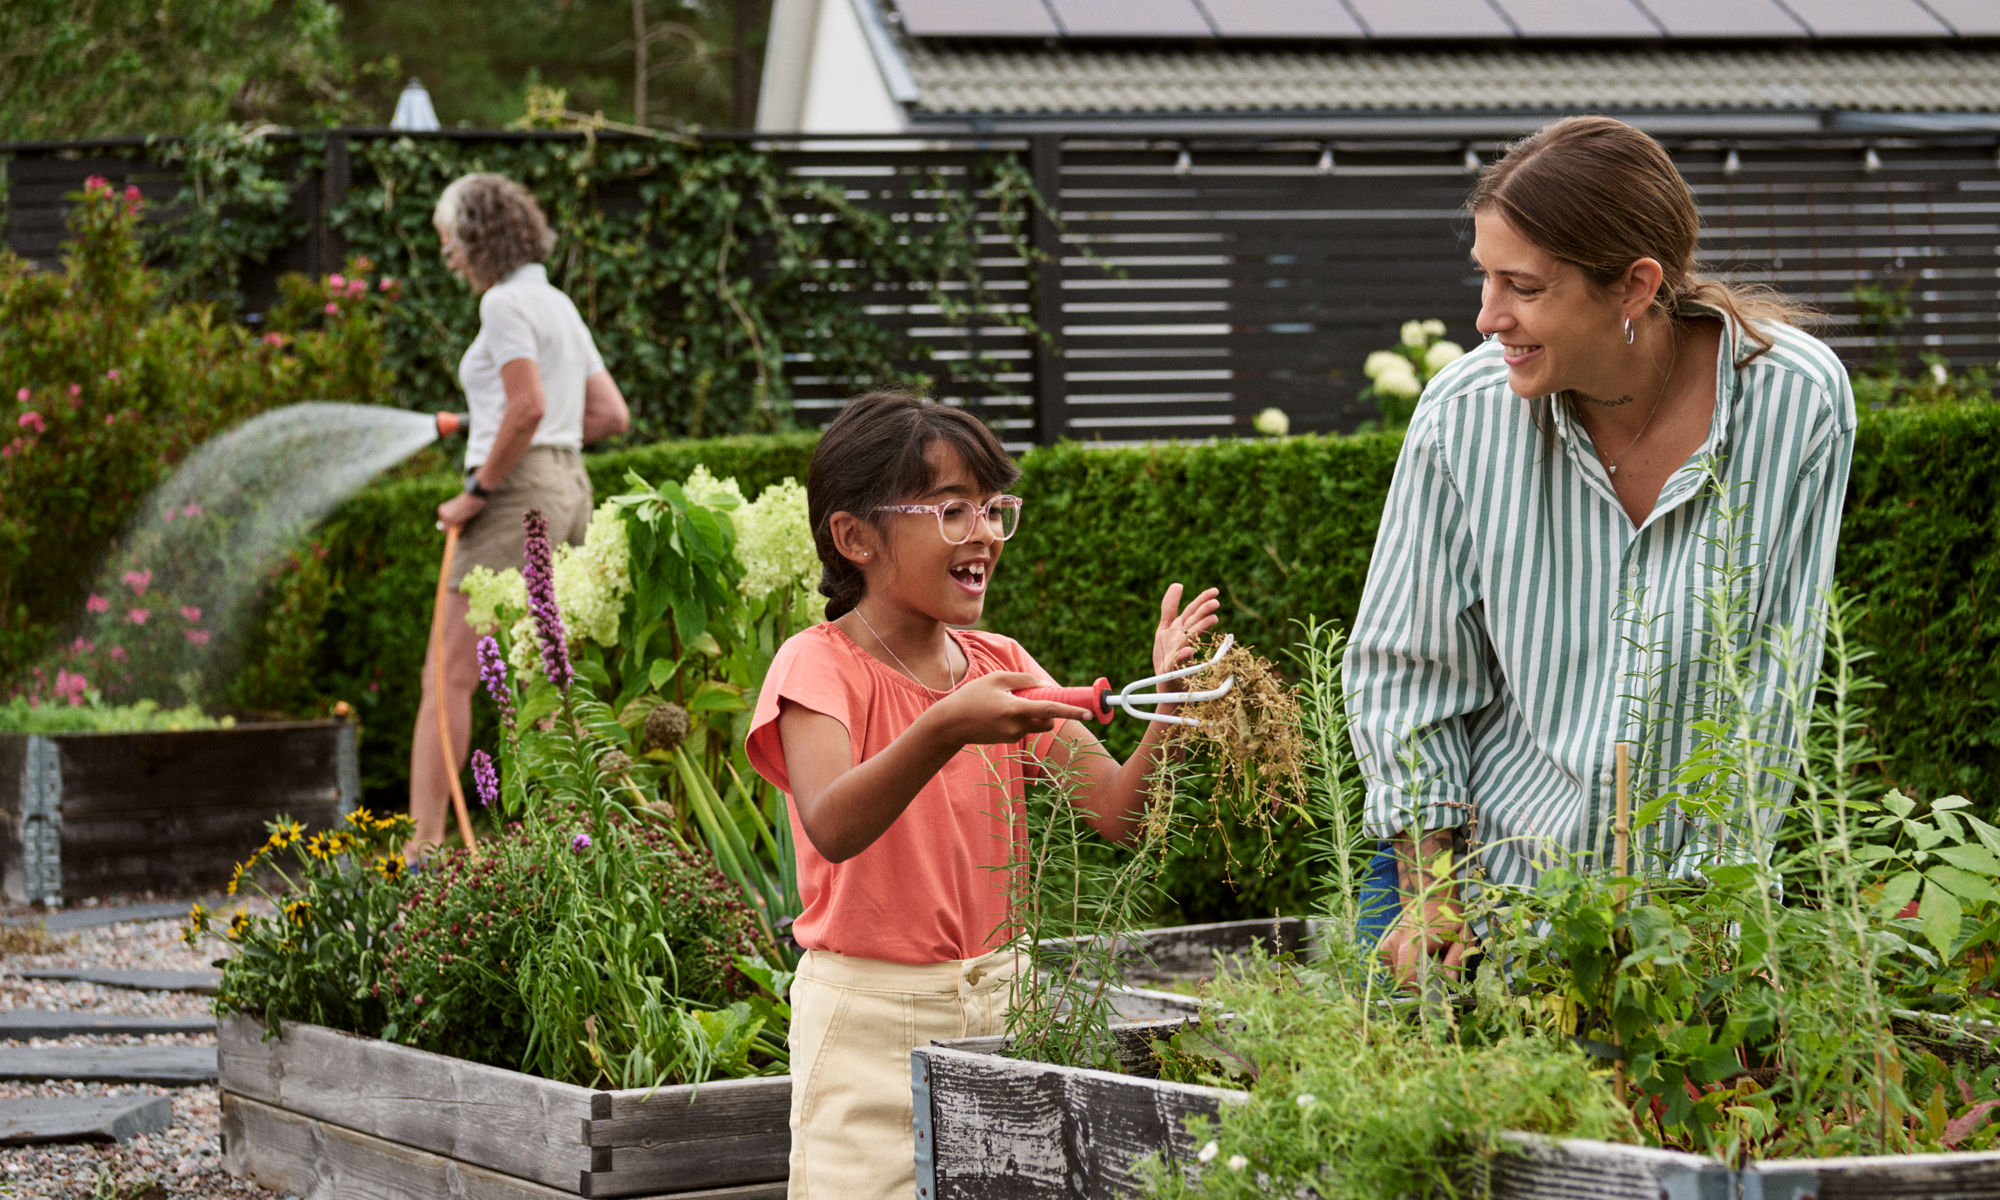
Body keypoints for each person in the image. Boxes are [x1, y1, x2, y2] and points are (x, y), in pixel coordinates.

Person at [1345, 116, 1857, 986]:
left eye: (1525, 287)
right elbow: (1406, 667)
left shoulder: (1795, 406)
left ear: (1633, 286)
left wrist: (1700, 924)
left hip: (1688, 916)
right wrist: (1434, 893)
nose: (1488, 316)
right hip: (1468, 889)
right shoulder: (1463, 416)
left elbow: (1769, 685)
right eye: (1486, 279)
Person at [744, 391, 1219, 1200]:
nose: (987, 534)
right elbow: (830, 825)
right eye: (953, 509)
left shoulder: (997, 660)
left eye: (995, 508)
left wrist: (1167, 705)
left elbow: (1115, 809)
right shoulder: (815, 665)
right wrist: (945, 728)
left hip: (1008, 1001)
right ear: (855, 536)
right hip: (867, 1024)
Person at [407, 173, 630, 861]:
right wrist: (534, 448)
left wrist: (480, 484)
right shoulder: (556, 302)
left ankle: (423, 855)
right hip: (569, 485)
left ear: (475, 237)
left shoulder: (504, 304)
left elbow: (526, 406)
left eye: (448, 237)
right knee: (549, 669)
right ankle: (580, 839)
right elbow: (608, 416)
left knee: (447, 674)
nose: (445, 252)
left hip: (515, 495)